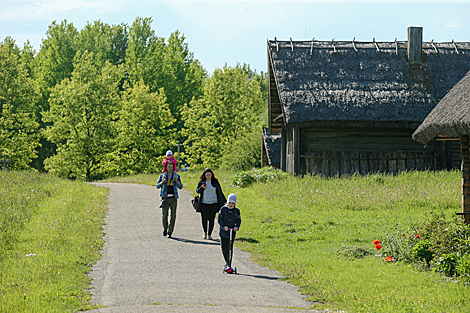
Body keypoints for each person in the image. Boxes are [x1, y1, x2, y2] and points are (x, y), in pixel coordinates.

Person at [196, 168, 226, 239]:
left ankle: (210, 234)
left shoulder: (215, 181)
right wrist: (202, 188)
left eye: (209, 174)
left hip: (214, 203)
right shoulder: (202, 182)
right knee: (204, 219)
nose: (208, 176)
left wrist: (224, 201)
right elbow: (197, 191)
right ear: (204, 175)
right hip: (204, 203)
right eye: (206, 175)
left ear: (212, 174)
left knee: (212, 219)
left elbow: (220, 192)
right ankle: (205, 232)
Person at [156, 161, 183, 238]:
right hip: (165, 198)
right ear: (166, 167)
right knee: (164, 215)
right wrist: (162, 182)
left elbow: (181, 187)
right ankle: (165, 228)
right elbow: (157, 186)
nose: (170, 168)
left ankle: (170, 232)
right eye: (168, 166)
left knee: (173, 216)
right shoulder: (162, 176)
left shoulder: (176, 176)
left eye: (171, 166)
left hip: (173, 198)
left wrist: (177, 182)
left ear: (173, 167)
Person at [218, 193, 241, 269]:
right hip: (224, 231)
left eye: (233, 203)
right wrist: (223, 226)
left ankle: (229, 264)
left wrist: (236, 226)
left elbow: (238, 220)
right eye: (230, 203)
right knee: (224, 248)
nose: (231, 205)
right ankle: (227, 262)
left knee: (230, 248)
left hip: (232, 232)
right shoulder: (223, 209)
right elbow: (220, 219)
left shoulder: (236, 211)